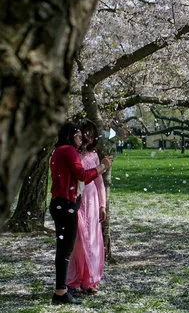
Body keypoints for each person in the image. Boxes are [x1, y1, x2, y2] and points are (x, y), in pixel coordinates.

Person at [49, 121, 112, 305]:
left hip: (63, 203)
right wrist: (103, 166)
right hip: (67, 204)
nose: (82, 138)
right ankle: (62, 290)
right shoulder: (68, 151)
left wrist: (102, 204)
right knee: (67, 249)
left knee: (64, 249)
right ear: (71, 136)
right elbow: (82, 176)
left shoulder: (59, 151)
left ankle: (62, 290)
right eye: (78, 134)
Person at [66, 119, 108, 295]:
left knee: (92, 240)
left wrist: (102, 205)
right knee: (78, 242)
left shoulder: (94, 155)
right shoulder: (73, 153)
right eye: (85, 132)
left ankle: (89, 281)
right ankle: (74, 281)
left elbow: (99, 183)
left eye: (91, 132)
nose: (89, 136)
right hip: (77, 200)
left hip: (92, 202)